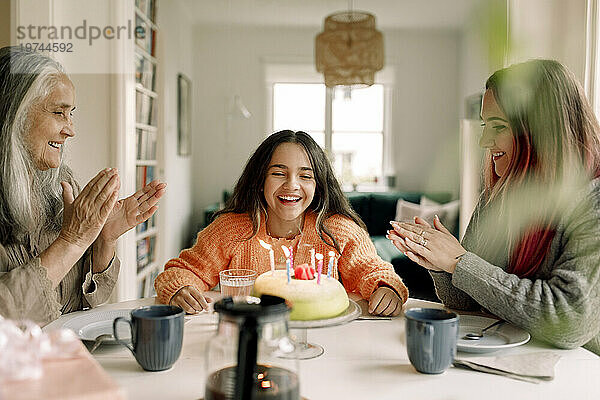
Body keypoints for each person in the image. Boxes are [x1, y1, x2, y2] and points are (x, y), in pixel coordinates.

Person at [388, 59, 600, 355]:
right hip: (506, 358)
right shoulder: (499, 193)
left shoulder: (593, 201)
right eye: (485, 125)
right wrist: (438, 262)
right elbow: (464, 300)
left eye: (498, 126)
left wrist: (459, 261)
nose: (485, 141)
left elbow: (570, 321)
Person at [155, 130, 408, 316]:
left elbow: (375, 271)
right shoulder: (230, 230)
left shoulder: (338, 231)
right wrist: (180, 289)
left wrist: (387, 288)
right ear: (260, 180)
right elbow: (182, 272)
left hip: (325, 346)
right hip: (249, 340)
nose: (292, 185)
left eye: (305, 176)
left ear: (318, 186)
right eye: (278, 173)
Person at [0, 46, 166, 325]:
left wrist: (103, 239)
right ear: (14, 114)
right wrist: (72, 241)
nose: (71, 129)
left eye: (71, 113)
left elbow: (84, 304)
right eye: (58, 112)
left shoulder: (62, 186)